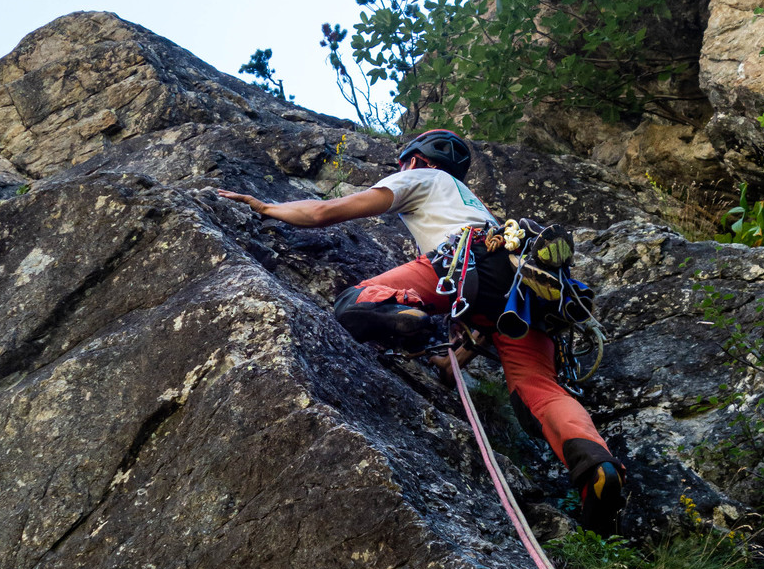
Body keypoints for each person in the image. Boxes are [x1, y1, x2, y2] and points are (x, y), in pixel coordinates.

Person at [218, 129, 625, 533]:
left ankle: (406, 315)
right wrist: (448, 362)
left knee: (354, 303)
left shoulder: (424, 176)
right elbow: (471, 341)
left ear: (415, 160)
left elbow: (328, 212)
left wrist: (266, 207)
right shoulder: (481, 210)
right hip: (522, 295)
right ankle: (597, 466)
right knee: (538, 388)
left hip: (468, 261)